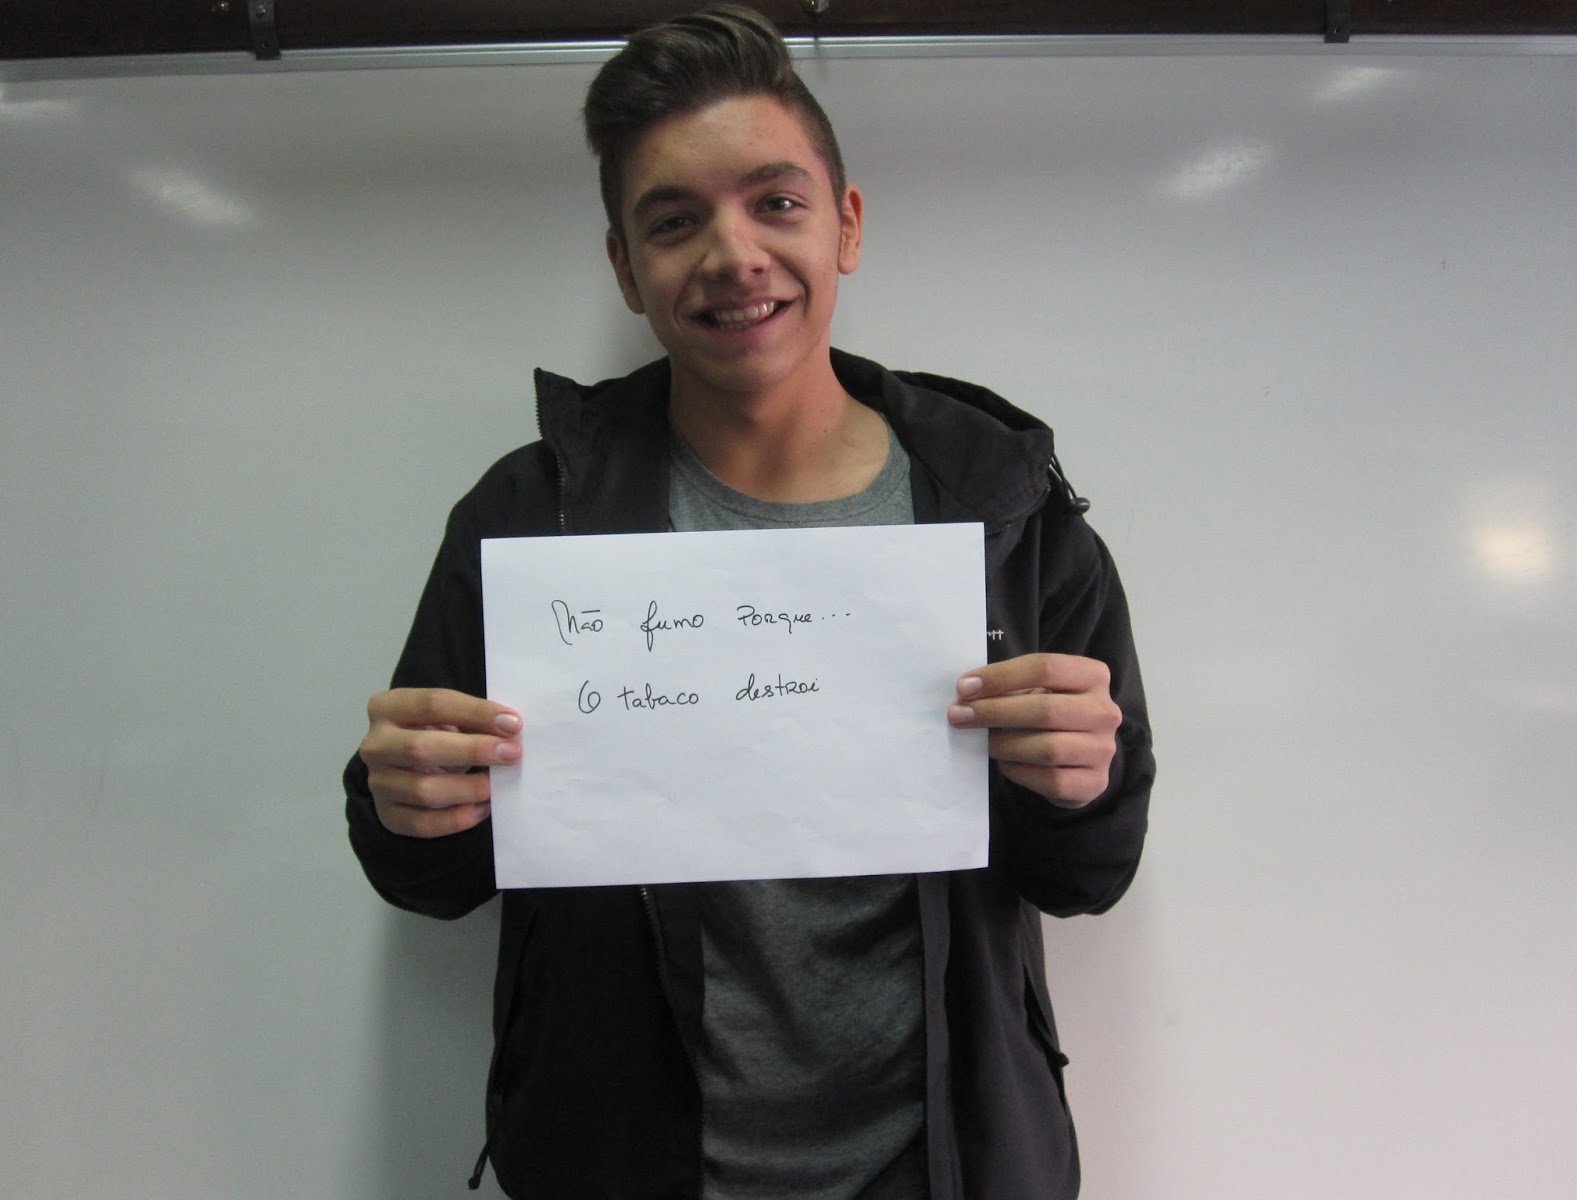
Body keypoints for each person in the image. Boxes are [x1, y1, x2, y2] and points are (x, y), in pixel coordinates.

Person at [345, 6, 1154, 1198]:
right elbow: (430, 879)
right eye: (675, 221)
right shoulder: (532, 515)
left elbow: (1091, 873)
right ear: (625, 266)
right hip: (625, 1169)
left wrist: (1082, 786)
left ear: (846, 224)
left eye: (776, 202)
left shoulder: (1005, 506)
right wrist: (405, 805)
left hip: (941, 1167)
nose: (734, 255)